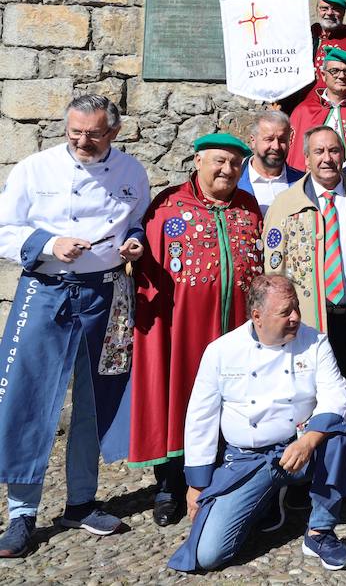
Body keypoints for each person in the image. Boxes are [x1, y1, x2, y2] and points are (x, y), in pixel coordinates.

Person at [0, 95, 149, 557]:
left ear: (114, 133)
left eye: (94, 133)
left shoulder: (132, 172)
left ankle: (81, 502)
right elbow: (4, 228)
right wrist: (49, 242)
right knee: (31, 399)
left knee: (93, 400)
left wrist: (135, 244)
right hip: (46, 292)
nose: (83, 141)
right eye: (75, 132)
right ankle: (21, 513)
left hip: (105, 295)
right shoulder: (34, 168)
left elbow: (137, 222)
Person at [167, 276, 346, 572]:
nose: (295, 317)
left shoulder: (315, 342)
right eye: (285, 312)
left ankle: (320, 533)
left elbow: (337, 396)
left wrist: (307, 441)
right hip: (248, 459)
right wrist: (196, 483)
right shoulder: (221, 351)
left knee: (337, 437)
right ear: (257, 316)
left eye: (296, 308)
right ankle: (266, 499)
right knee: (209, 555)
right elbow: (201, 417)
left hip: (301, 451)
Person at [130, 133, 265, 525]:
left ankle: (223, 478)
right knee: (182, 400)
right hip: (183, 330)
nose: (227, 169)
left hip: (236, 327)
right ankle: (170, 485)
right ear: (198, 160)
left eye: (235, 163)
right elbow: (148, 272)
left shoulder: (249, 206)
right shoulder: (168, 206)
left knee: (230, 402)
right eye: (219, 161)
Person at [262, 125, 346, 357]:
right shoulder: (286, 205)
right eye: (319, 151)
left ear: (343, 156)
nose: (327, 158)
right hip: (308, 322)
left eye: (334, 151)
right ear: (306, 158)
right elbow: (274, 268)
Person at [288, 47, 346, 168]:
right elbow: (294, 154)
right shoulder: (304, 110)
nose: (341, 76)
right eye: (334, 71)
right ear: (323, 75)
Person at [238, 110, 302, 214]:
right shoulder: (234, 182)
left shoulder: (303, 182)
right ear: (253, 141)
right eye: (269, 139)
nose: (276, 146)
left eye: (281, 140)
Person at [310, 0, 346, 87]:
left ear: (343, 13)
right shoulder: (308, 35)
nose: (329, 13)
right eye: (324, 8)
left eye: (335, 9)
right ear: (317, 10)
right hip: (304, 99)